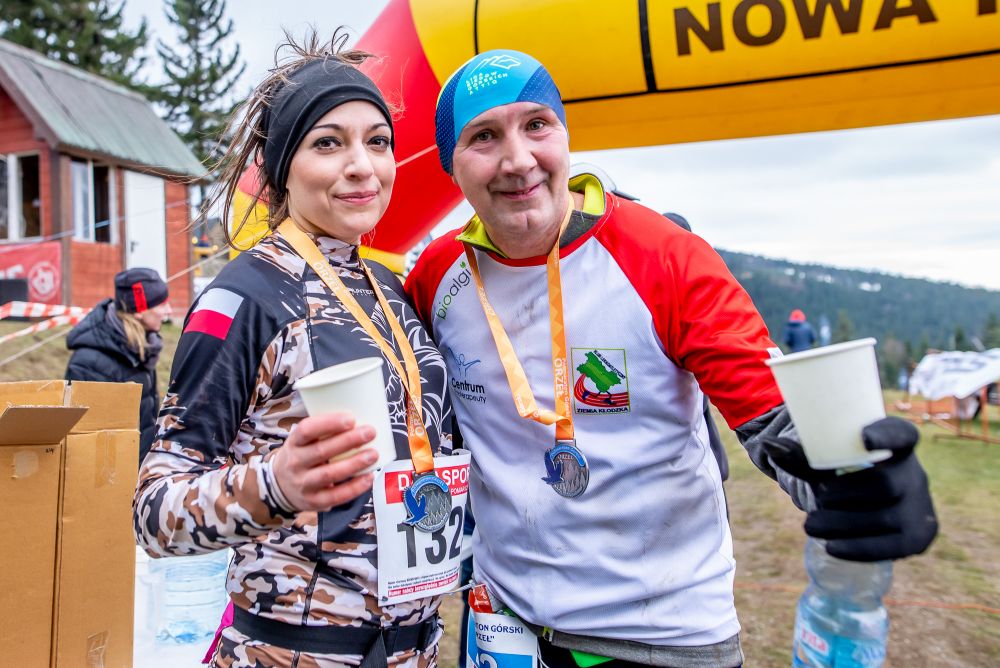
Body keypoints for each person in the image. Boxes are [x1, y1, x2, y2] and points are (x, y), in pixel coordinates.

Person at [405, 50, 937, 667]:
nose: (518, 159)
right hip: (505, 626)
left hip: (660, 635)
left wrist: (855, 485)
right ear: (451, 167)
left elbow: (773, 416)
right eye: (484, 137)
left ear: (565, 136)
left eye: (537, 125)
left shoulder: (664, 254)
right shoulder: (436, 275)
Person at [133, 31, 455, 667]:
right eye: (328, 143)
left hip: (413, 650)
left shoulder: (390, 289)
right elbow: (152, 512)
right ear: (283, 166)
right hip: (292, 652)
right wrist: (275, 484)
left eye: (378, 141)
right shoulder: (247, 295)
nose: (362, 166)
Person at [66, 267, 171, 463]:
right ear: (140, 310)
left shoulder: (142, 349)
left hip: (140, 470)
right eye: (162, 304)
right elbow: (86, 440)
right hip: (112, 474)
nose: (168, 311)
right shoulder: (89, 362)